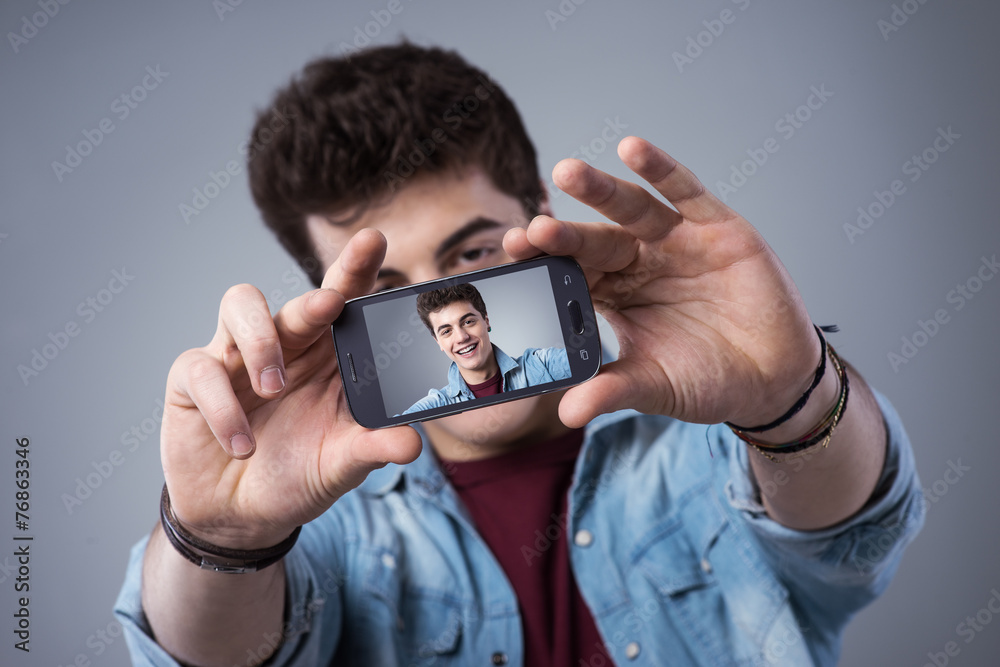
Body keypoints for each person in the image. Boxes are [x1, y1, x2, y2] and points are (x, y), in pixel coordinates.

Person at [115, 42, 924, 666]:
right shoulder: (328, 522)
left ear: (538, 214)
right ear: (335, 297)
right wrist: (219, 535)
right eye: (388, 285)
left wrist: (792, 395)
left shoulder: (707, 438)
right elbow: (210, 654)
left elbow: (854, 532)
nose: (447, 311)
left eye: (471, 258)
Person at [401, 283, 571, 414]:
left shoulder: (541, 365)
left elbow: (592, 357)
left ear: (486, 321)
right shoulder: (436, 405)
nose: (461, 337)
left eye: (468, 322)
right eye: (446, 331)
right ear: (438, 342)